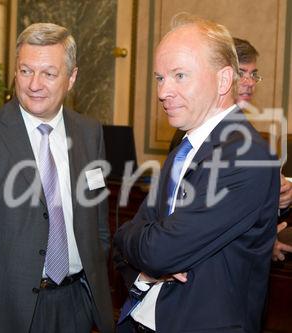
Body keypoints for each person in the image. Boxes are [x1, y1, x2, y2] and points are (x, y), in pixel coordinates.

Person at [0, 23, 114, 333]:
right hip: (4, 311)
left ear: (71, 78)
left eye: (48, 73)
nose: (34, 84)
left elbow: (97, 222)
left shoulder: (89, 132)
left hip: (77, 305)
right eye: (26, 70)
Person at [114, 13, 279, 332]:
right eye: (160, 78)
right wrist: (141, 251)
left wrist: (134, 239)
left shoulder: (246, 157)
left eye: (179, 75)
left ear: (223, 80)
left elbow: (157, 250)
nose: (163, 92)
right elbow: (133, 245)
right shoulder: (186, 147)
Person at [169, 37, 292, 261]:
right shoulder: (193, 130)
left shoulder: (246, 135)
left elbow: (244, 203)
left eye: (253, 74)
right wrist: (262, 242)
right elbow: (193, 213)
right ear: (221, 77)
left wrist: (277, 200)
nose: (250, 81)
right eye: (242, 72)